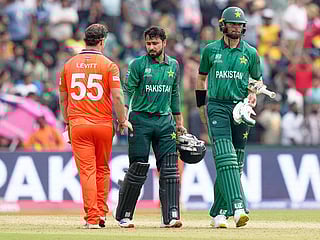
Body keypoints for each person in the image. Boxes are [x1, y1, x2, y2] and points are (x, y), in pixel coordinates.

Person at [59, 23, 131, 229]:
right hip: (103, 125)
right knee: (102, 169)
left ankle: (92, 218)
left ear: (85, 40)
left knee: (87, 171)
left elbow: (63, 99)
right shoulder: (109, 65)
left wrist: (68, 122)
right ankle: (101, 213)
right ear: (102, 41)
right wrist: (122, 119)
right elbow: (117, 96)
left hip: (79, 124)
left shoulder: (69, 65)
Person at [196, 7, 262, 228]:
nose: (235, 27)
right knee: (226, 156)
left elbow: (256, 82)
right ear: (222, 25)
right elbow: (201, 79)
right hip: (217, 106)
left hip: (241, 108)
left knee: (236, 162)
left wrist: (252, 96)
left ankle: (218, 213)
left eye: (239, 24)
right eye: (232, 24)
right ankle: (238, 206)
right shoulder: (210, 50)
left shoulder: (250, 53)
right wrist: (199, 107)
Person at [114, 26, 186, 228]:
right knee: (138, 168)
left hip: (165, 122)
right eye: (148, 43)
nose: (151, 47)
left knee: (170, 169)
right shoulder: (137, 64)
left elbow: (174, 94)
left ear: (164, 43)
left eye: (155, 43)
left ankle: (171, 216)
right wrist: (123, 117)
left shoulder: (174, 65)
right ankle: (124, 215)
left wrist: (179, 122)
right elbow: (127, 92)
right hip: (140, 121)